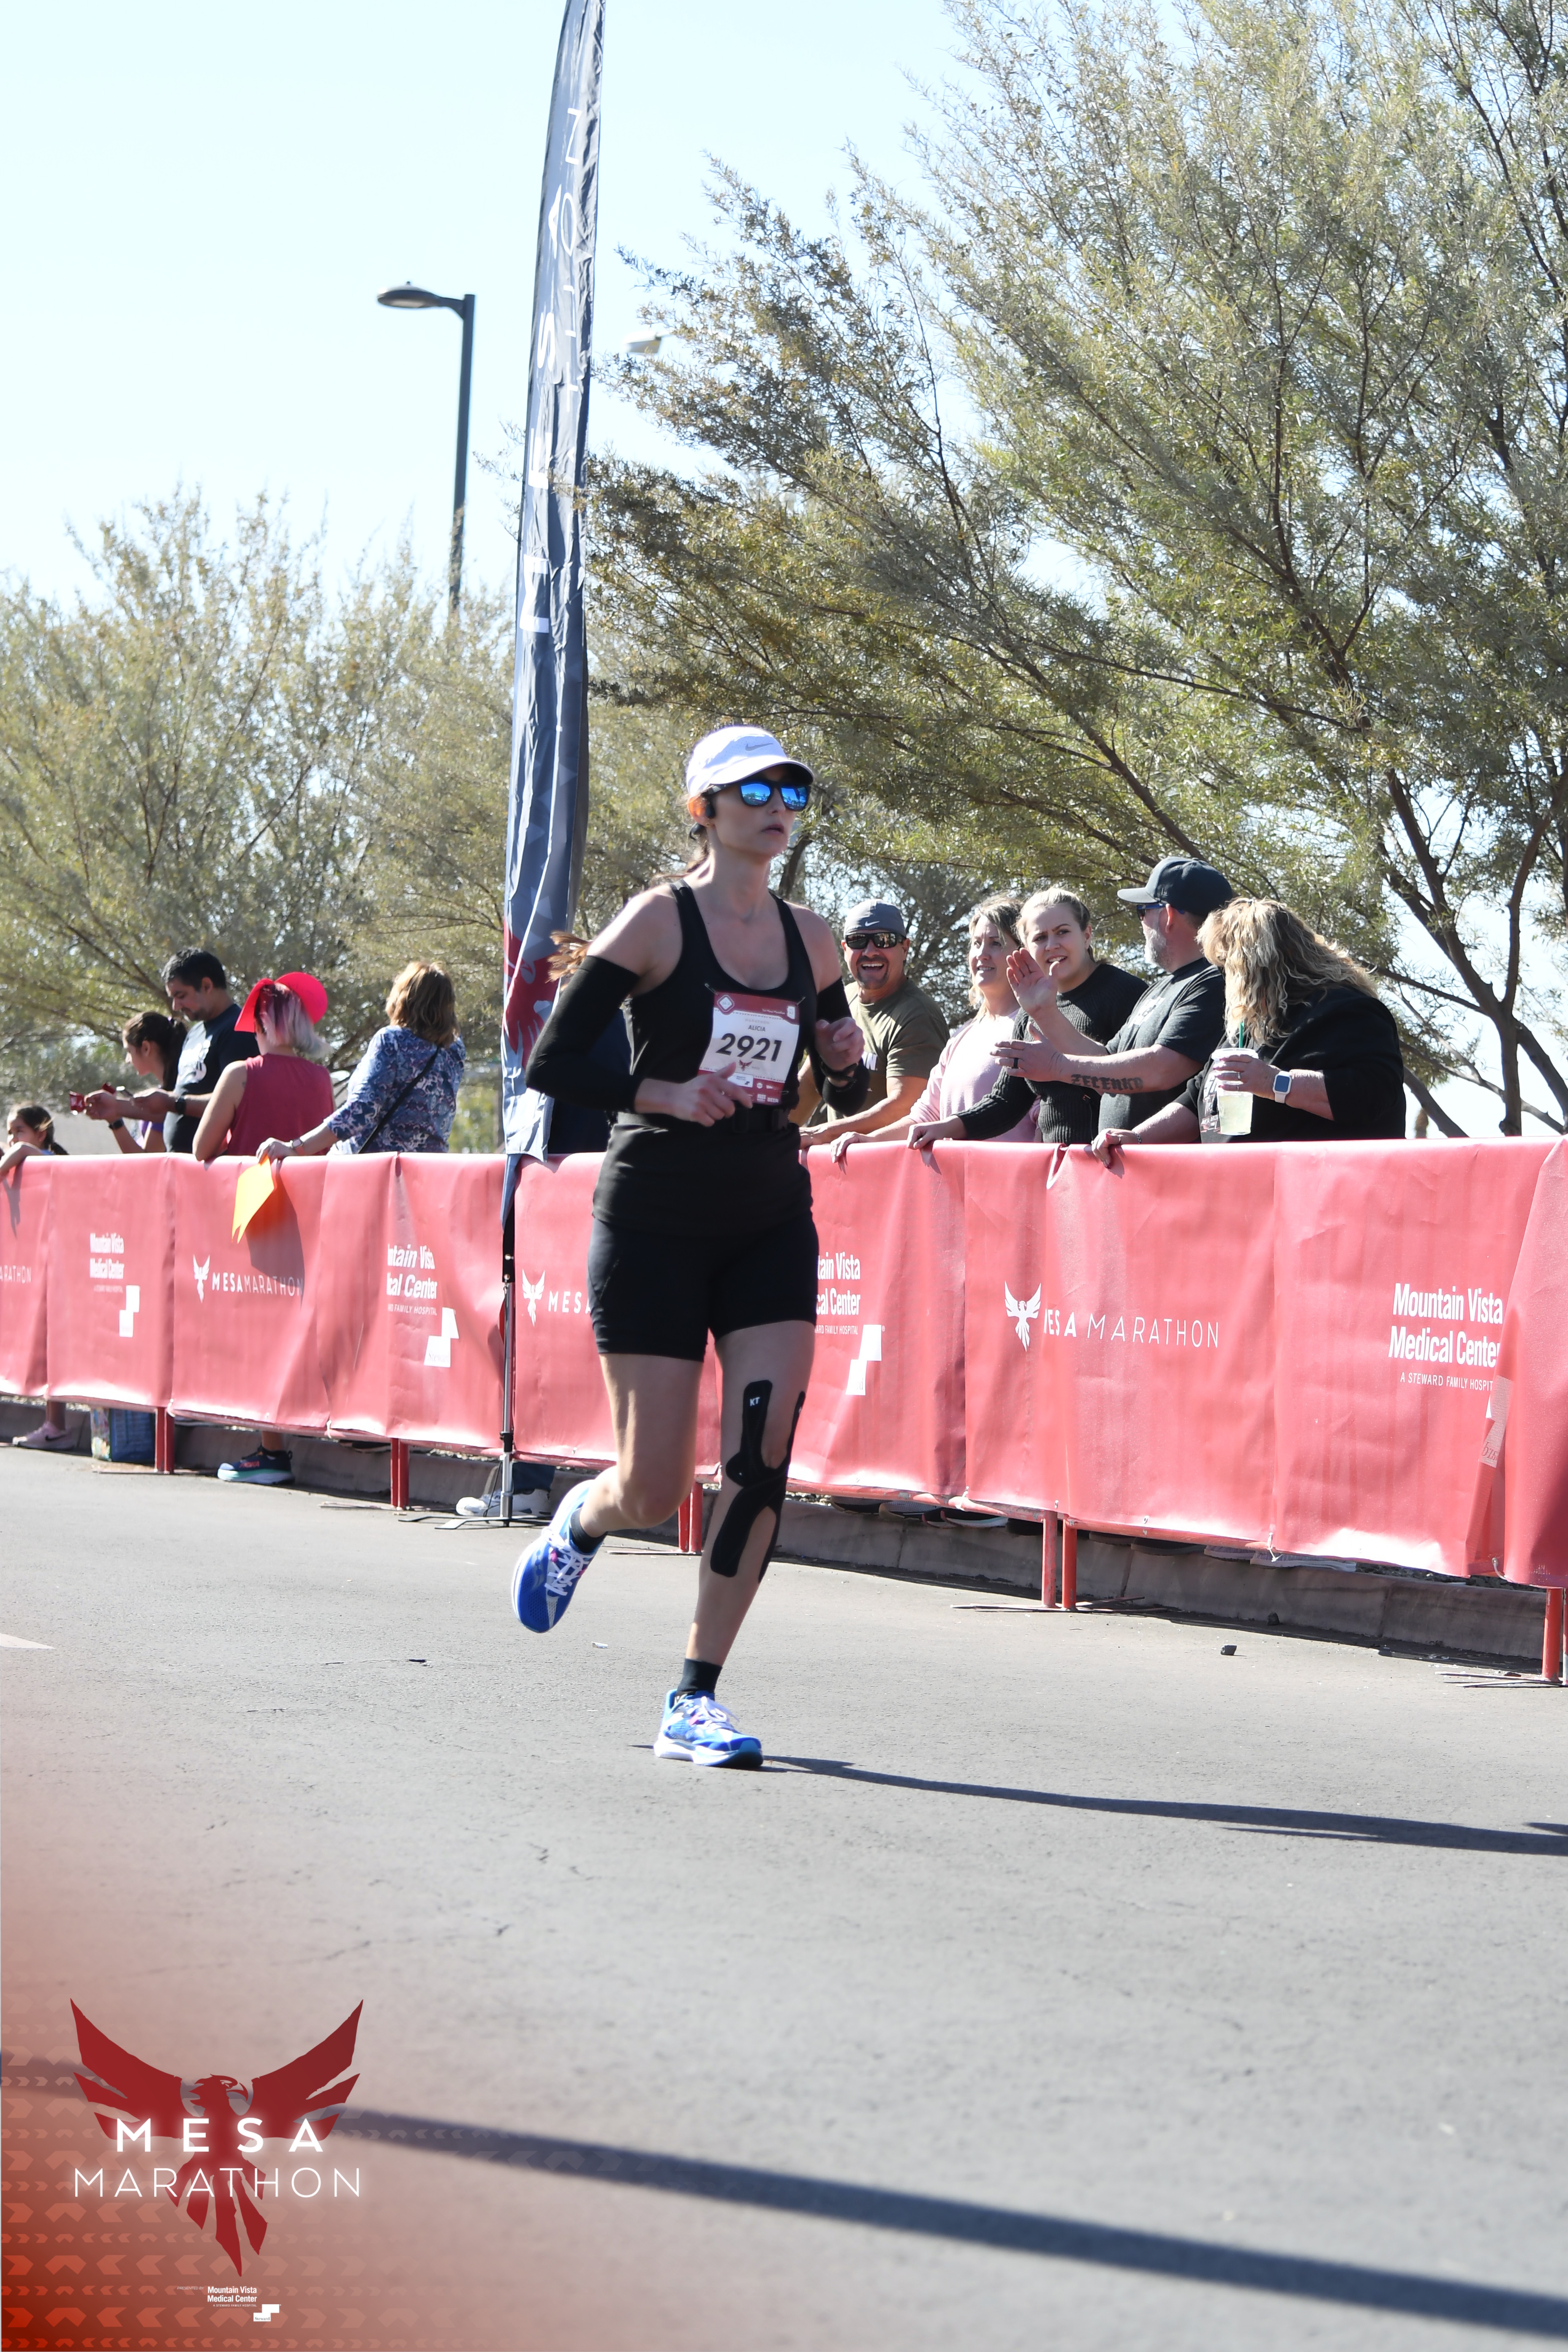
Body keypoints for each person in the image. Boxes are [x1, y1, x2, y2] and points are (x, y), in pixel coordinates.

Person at [514, 722, 868, 1768]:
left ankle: (693, 1695)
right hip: (655, 1216)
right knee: (655, 1486)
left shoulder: (814, 940)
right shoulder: (656, 921)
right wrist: (658, 1091)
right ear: (702, 810)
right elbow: (550, 1060)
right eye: (752, 790)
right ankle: (585, 1520)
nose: (776, 808)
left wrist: (844, 1057)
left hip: (767, 1213)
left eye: (791, 792)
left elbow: (840, 1083)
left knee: (760, 1458)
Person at [455, 934, 634, 1524]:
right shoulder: (603, 1018)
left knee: (543, 1346)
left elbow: (573, 1102)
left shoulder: (588, 1019)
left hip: (563, 1204)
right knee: (544, 1345)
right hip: (567, 1200)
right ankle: (531, 1479)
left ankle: (530, 1483)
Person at [1091, 898, 1407, 1155]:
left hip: (1316, 1198)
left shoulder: (1346, 1010)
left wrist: (1276, 1083)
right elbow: (1195, 1100)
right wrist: (1137, 1138)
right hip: (1240, 1197)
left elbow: (1374, 1093)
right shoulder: (1248, 1026)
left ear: (1255, 966)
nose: (1222, 979)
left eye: (1225, 966)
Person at [186, 976, 335, 1490]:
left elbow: (201, 1149)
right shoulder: (321, 1079)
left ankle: (271, 1451)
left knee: (259, 1335)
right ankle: (280, 1443)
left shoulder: (240, 1074)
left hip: (254, 1218)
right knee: (291, 1332)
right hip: (306, 1219)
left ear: (264, 1024)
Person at [987, 856, 1232, 1132]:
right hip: (1125, 1156)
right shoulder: (1164, 988)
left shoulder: (1213, 981)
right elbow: (1106, 1062)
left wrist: (1059, 1066)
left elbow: (1161, 1069)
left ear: (1169, 915)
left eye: (1142, 911)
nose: (1142, 923)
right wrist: (1045, 1012)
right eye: (1040, 937)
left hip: (1159, 1158)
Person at [909, 887, 1146, 1150]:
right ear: (1027, 949)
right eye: (1040, 938)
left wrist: (1057, 1057)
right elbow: (1007, 1102)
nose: (1052, 945)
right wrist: (943, 1128)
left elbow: (1136, 1085)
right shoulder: (1030, 1010)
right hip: (1058, 1164)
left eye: (1062, 932)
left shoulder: (1126, 993)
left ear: (1087, 935)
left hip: (1114, 1161)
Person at [829, 895, 1035, 1156]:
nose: (982, 954)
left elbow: (1047, 1121)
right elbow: (924, 1116)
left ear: (1024, 953)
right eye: (976, 943)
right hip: (955, 1182)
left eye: (996, 943)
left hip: (1011, 1180)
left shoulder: (1034, 1029)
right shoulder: (961, 1037)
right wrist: (868, 1141)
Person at [253, 961, 465, 1165]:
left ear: (405, 999)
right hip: (429, 1170)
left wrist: (297, 1147)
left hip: (377, 1172)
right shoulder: (455, 1052)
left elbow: (361, 1110)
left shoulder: (392, 1040)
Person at [797, 898, 947, 1146]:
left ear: (905, 948)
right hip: (838, 1162)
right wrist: (770, 1136)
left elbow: (905, 1108)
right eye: (858, 941)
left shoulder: (917, 1016)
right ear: (845, 948)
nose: (870, 952)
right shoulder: (842, 1000)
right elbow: (812, 1081)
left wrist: (825, 1133)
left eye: (884, 940)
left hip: (888, 1164)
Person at [105, 950, 252, 1152]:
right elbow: (178, 1103)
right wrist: (115, 1108)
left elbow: (238, 1103)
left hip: (216, 1164)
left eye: (181, 996)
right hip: (182, 1163)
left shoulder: (238, 1030)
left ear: (207, 986)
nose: (176, 1006)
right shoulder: (195, 1034)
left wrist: (173, 1102)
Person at [2, 1107, 74, 1451]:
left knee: (53, 1344)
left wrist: (15, 1151)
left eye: (19, 1130)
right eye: (9, 1132)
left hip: (56, 1269)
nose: (13, 1139)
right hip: (27, 1270)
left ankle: (56, 1426)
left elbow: (23, 1151)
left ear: (41, 1133)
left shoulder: (47, 1160)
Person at [84, 1012, 186, 1152]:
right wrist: (114, 1113)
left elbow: (147, 1161)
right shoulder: (168, 1092)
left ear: (146, 1048)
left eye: (129, 1051)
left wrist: (115, 1119)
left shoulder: (166, 1099)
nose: (128, 1060)